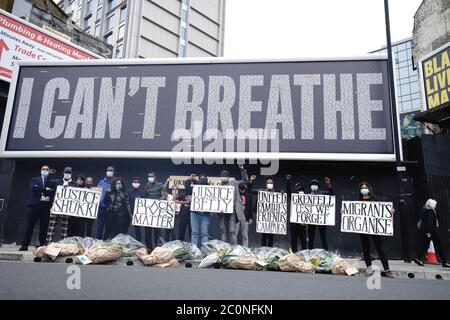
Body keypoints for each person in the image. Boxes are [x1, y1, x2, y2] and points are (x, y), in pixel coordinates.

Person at [357, 182, 394, 278]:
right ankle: (369, 269)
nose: (364, 189)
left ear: (368, 189)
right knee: (366, 250)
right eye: (362, 188)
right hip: (363, 228)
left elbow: (382, 211)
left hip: (374, 228)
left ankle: (387, 270)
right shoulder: (358, 201)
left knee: (380, 249)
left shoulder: (374, 199)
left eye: (365, 187)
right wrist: (344, 211)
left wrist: (391, 211)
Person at [19, 165, 54, 251]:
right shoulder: (35, 179)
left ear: (49, 171)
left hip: (46, 206)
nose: (45, 170)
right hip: (35, 205)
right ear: (40, 170)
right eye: (43, 169)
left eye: (47, 169)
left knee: (44, 227)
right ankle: (24, 245)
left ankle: (42, 246)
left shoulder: (51, 181)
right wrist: (46, 189)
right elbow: (34, 189)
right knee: (29, 226)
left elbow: (52, 191)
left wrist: (41, 189)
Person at [413, 199, 450, 267]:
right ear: (432, 204)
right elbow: (430, 222)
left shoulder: (424, 210)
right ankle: (444, 262)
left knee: (425, 246)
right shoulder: (431, 211)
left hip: (425, 231)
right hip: (431, 232)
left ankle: (417, 258)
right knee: (439, 246)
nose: (436, 206)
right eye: (435, 204)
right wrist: (430, 232)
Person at [218, 165, 248, 245]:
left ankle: (233, 248)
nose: (223, 177)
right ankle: (223, 249)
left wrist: (243, 170)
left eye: (225, 176)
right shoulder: (218, 187)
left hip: (232, 211)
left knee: (232, 231)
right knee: (223, 231)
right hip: (222, 212)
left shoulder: (233, 182)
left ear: (228, 177)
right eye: (222, 176)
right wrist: (218, 210)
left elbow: (245, 181)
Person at [46, 166, 77, 244]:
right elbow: (47, 183)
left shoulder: (74, 184)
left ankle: (63, 245)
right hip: (55, 207)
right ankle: (48, 244)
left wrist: (69, 187)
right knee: (51, 227)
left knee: (64, 229)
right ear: (63, 173)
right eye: (66, 172)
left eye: (69, 172)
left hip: (66, 209)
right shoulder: (57, 182)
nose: (67, 174)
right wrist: (49, 174)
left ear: (71, 174)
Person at [143, 171, 167, 250]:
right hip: (148, 212)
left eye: (152, 176)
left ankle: (157, 247)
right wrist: (146, 188)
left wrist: (156, 201)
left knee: (157, 231)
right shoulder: (147, 185)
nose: (151, 178)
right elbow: (144, 196)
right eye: (149, 176)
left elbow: (164, 196)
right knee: (147, 231)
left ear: (155, 177)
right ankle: (149, 248)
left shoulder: (160, 185)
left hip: (157, 211)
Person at [307, 178, 333, 250]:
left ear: (318, 186)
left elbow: (331, 194)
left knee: (323, 236)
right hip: (311, 219)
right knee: (311, 237)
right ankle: (310, 252)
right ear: (310, 186)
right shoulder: (307, 196)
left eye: (315, 185)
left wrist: (329, 184)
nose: (314, 186)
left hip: (321, 218)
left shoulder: (322, 193)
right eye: (312, 185)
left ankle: (326, 251)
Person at [286, 175, 307, 252]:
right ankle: (294, 254)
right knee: (293, 240)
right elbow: (288, 192)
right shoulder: (293, 198)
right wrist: (288, 181)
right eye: (299, 190)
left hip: (302, 223)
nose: (300, 191)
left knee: (303, 240)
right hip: (294, 223)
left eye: (302, 190)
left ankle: (304, 254)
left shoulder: (307, 199)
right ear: (296, 191)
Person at [191, 174, 212, 248]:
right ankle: (194, 251)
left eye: (204, 179)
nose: (202, 180)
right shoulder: (194, 186)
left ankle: (205, 250)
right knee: (194, 233)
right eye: (201, 179)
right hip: (195, 213)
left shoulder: (210, 188)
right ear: (198, 179)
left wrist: (205, 210)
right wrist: (191, 178)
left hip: (205, 214)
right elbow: (187, 186)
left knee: (204, 233)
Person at [236, 174, 256, 247]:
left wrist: (250, 217)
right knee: (235, 232)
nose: (243, 189)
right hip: (237, 216)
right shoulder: (236, 195)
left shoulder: (248, 195)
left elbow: (250, 207)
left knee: (244, 234)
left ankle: (245, 248)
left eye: (244, 188)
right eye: (242, 188)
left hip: (245, 215)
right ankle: (234, 248)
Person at [96, 166, 115, 240]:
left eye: (111, 170)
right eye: (108, 170)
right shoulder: (101, 182)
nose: (109, 171)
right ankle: (98, 242)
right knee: (100, 226)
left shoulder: (116, 182)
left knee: (110, 227)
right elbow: (97, 193)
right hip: (102, 207)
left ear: (114, 172)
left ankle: (106, 242)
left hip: (111, 209)